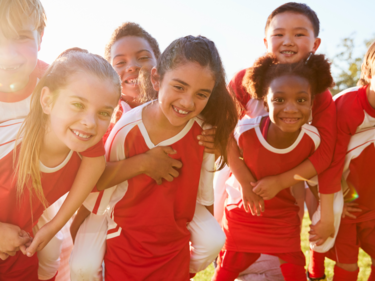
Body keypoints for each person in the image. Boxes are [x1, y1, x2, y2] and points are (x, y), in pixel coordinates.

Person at [69, 25, 226, 281]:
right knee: (83, 267)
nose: (132, 66)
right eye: (120, 62)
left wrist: (217, 142)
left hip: (174, 204)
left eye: (141, 57)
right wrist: (144, 162)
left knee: (213, 239)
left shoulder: (197, 121)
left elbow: (203, 191)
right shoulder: (112, 117)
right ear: (157, 78)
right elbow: (96, 183)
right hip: (113, 203)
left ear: (155, 63)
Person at [0, 48, 120, 280]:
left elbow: (96, 165)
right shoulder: (8, 143)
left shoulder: (85, 156)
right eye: (77, 104)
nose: (89, 122)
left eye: (104, 113)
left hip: (16, 253)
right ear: (47, 101)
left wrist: (53, 226)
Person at [212, 53, 334, 281]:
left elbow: (314, 170)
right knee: (228, 265)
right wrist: (247, 186)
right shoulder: (247, 131)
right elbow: (227, 142)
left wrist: (282, 183)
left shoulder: (311, 139)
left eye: (300, 100)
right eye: (279, 100)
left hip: (282, 216)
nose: (290, 109)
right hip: (245, 212)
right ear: (265, 101)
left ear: (311, 103)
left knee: (294, 267)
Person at [0, 2, 85, 280]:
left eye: (21, 37)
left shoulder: (60, 87)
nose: (7, 52)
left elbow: (93, 158)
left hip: (31, 224)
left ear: (41, 36)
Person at [310, 41, 375, 281]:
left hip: (372, 204)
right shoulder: (347, 106)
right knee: (347, 266)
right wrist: (333, 207)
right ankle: (315, 271)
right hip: (345, 199)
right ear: (368, 74)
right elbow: (329, 163)